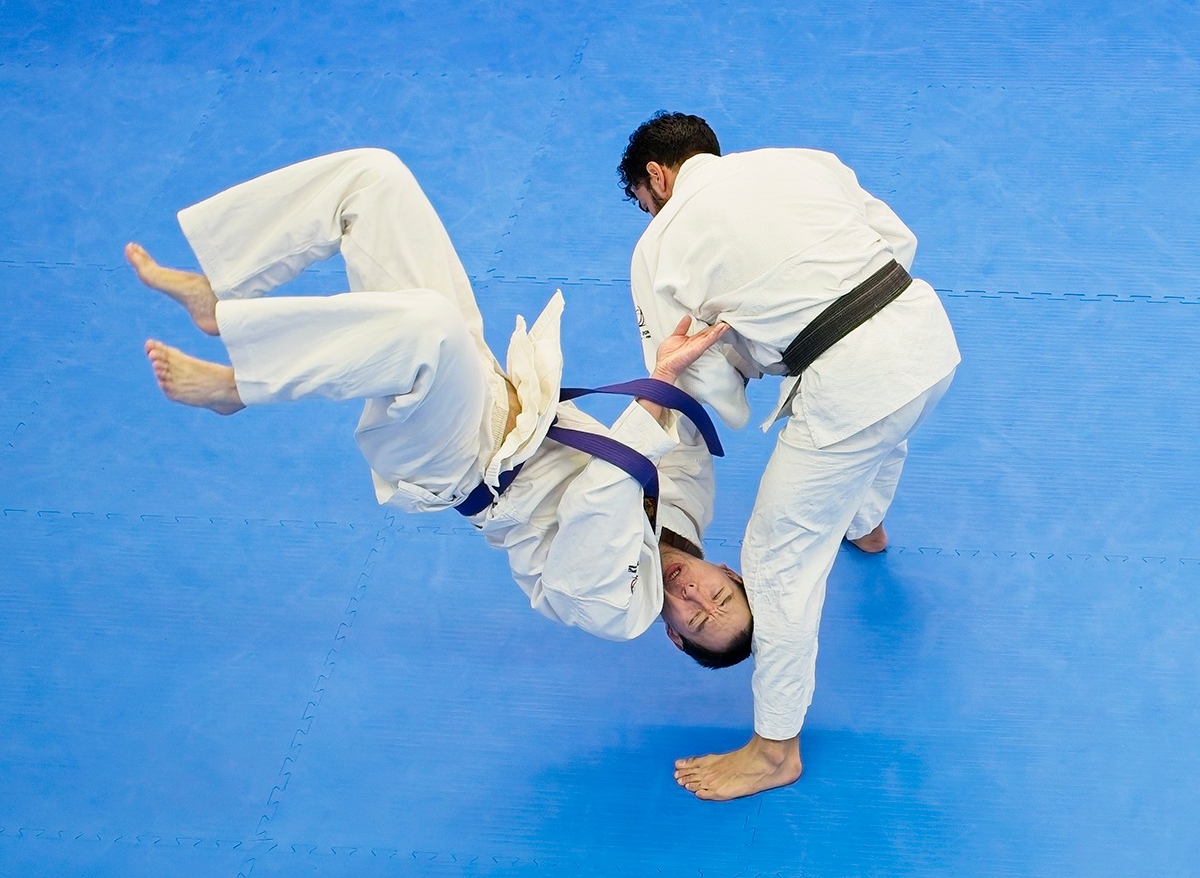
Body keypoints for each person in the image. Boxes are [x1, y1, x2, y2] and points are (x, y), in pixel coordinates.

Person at [127, 148, 751, 656]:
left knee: (429, 327)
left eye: (695, 621)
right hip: (497, 391)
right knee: (374, 182)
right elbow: (685, 418)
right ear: (729, 573)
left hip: (460, 460)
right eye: (718, 596)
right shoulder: (690, 513)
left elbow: (602, 496)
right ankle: (222, 290)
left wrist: (661, 386)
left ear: (674, 636)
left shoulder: (614, 609)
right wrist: (730, 341)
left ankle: (239, 385)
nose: (694, 598)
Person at [618, 112, 961, 800]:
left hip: (857, 386)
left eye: (642, 202)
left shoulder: (658, 245)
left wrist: (754, 360)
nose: (648, 215)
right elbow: (895, 240)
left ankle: (775, 751)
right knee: (877, 423)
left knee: (776, 564)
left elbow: (691, 373)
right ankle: (865, 523)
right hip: (926, 336)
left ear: (656, 176)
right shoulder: (803, 159)